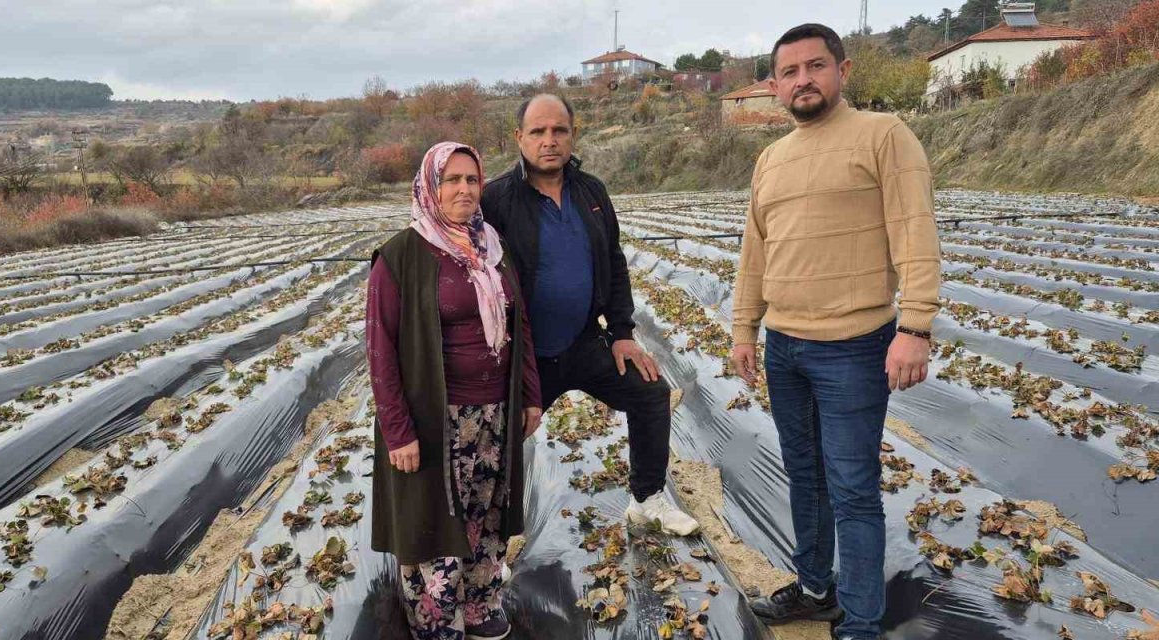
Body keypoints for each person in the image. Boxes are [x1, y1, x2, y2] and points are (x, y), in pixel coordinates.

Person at [729, 24, 942, 640]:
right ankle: (816, 590)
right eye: (789, 72)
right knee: (805, 476)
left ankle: (861, 624)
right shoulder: (770, 159)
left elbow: (915, 230)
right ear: (775, 86)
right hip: (785, 348)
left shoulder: (883, 135)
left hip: (854, 346)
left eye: (815, 66)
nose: (803, 80)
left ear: (842, 71)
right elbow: (755, 253)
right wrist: (744, 329)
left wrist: (916, 326)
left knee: (852, 489)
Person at [481, 94, 698, 536]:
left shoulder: (591, 192)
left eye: (559, 130)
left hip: (583, 341)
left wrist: (621, 332)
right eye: (538, 132)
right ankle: (493, 539)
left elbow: (613, 261)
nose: (549, 140)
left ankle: (646, 499)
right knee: (501, 436)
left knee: (650, 392)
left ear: (573, 134)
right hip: (526, 355)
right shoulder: (496, 200)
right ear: (519, 138)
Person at [367, 141, 542, 640]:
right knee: (435, 517)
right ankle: (437, 617)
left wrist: (530, 394)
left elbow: (520, 326)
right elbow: (380, 350)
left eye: (471, 179)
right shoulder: (401, 255)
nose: (464, 189)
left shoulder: (494, 250)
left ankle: (481, 603)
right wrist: (398, 431)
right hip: (436, 417)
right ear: (430, 186)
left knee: (486, 511)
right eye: (452, 180)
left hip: (495, 412)